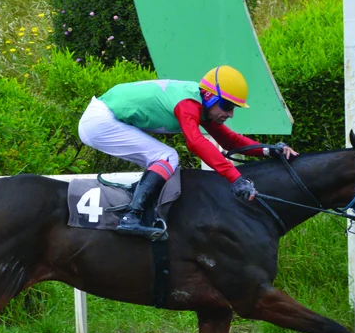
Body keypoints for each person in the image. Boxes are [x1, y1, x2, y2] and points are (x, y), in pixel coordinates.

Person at [78, 65, 299, 240]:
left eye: (234, 108)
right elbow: (195, 142)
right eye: (227, 106)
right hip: (100, 121)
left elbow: (230, 140)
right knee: (167, 157)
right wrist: (236, 178)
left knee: (163, 158)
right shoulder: (188, 104)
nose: (230, 114)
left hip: (103, 118)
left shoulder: (203, 105)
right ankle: (131, 217)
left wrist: (270, 150)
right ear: (210, 96)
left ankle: (138, 210)